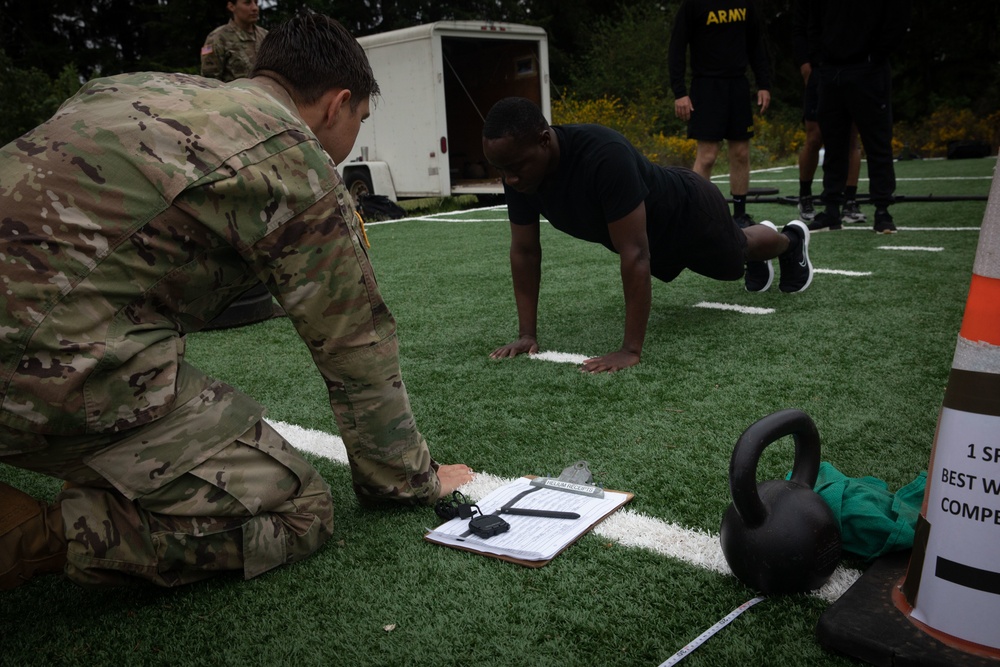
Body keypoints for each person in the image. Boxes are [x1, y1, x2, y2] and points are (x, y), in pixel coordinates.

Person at [0, 12, 472, 591]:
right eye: (361, 119)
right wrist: (408, 480)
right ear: (337, 104)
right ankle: (30, 537)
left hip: (33, 323)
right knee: (298, 509)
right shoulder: (292, 156)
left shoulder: (128, 87)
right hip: (34, 361)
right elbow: (355, 346)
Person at [482, 97, 813, 375]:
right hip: (653, 235)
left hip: (689, 212)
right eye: (501, 170)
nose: (509, 179)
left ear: (544, 140)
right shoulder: (520, 175)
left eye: (515, 167)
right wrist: (526, 334)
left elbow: (635, 253)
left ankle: (790, 240)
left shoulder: (602, 154)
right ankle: (764, 251)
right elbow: (525, 251)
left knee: (737, 254)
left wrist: (630, 349)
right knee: (739, 255)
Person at [806, 0, 911, 234]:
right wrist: (819, 59)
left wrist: (876, 57)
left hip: (869, 71)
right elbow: (812, 21)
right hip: (831, 72)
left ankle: (882, 211)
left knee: (877, 142)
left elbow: (898, 18)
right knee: (833, 144)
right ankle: (832, 209)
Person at [668, 0, 772, 229]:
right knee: (707, 155)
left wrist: (764, 83)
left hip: (737, 85)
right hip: (706, 87)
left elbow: (756, 45)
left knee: (741, 153)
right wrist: (680, 92)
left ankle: (740, 215)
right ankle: (697, 215)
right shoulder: (693, 6)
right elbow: (676, 47)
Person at [792, 0, 865, 227]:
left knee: (851, 136)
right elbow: (799, 29)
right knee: (814, 137)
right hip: (820, 72)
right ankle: (805, 197)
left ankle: (849, 201)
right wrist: (805, 64)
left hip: (852, 69)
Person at [200, 0, 267, 82]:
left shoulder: (266, 36)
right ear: (231, 6)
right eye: (247, 3)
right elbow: (210, 81)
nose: (255, 8)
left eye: (256, 3)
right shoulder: (217, 38)